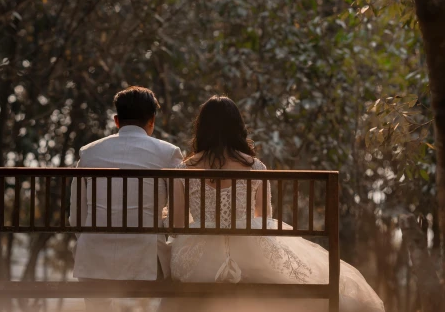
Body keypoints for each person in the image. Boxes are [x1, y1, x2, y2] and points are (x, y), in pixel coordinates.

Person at [168, 96, 385, 312]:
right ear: (237, 128)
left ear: (202, 129)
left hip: (199, 263)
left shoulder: (182, 170)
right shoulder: (255, 167)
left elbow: (177, 226)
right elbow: (264, 219)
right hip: (250, 256)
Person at [70, 86, 183, 312]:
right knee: (177, 282)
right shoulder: (168, 153)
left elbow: (76, 217)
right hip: (148, 263)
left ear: (116, 120)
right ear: (152, 120)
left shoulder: (89, 153)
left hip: (93, 262)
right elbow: (179, 218)